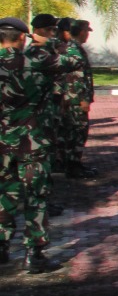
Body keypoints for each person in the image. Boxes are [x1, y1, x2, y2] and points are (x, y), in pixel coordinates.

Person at [0, 16, 83, 272]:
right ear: (23, 37)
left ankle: (1, 248)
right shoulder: (36, 61)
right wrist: (48, 42)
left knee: (4, 195)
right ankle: (34, 255)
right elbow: (74, 61)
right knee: (36, 196)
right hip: (32, 141)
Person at [59, 19, 97, 179]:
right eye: (87, 31)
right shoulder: (73, 50)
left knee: (75, 132)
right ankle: (72, 166)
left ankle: (74, 163)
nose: (88, 34)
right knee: (77, 132)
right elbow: (78, 77)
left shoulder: (73, 48)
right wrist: (84, 99)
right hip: (75, 99)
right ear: (81, 32)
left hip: (72, 98)